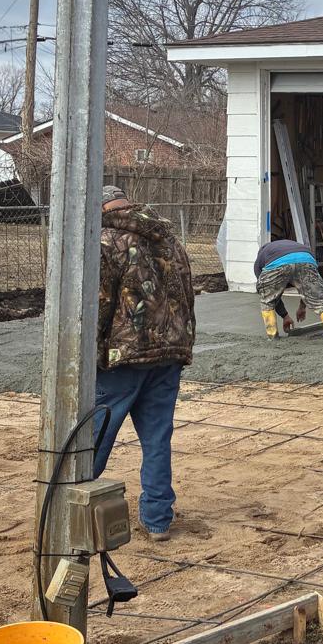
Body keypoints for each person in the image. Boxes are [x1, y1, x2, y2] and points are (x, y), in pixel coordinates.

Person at [93, 186, 195, 543]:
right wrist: (183, 344)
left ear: (100, 208)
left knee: (93, 439)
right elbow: (186, 294)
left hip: (125, 357)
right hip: (168, 354)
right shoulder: (169, 239)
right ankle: (157, 521)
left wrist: (91, 356)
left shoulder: (106, 240)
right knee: (157, 440)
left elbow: (100, 303)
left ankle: (71, 505)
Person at [254, 237, 323, 344]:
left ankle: (272, 338)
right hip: (306, 259)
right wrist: (300, 308)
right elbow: (313, 289)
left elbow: (269, 293)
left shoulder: (260, 259)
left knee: (267, 301)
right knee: (319, 302)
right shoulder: (295, 246)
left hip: (277, 263)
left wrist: (285, 315)